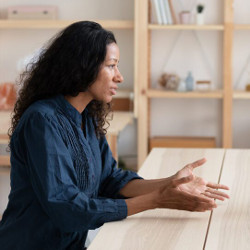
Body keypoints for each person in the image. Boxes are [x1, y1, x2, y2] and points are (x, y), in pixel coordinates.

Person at [0, 21, 229, 250]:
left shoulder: (86, 117)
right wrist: (156, 199)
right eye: (111, 66)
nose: (119, 77)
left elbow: (110, 180)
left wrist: (172, 183)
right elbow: (66, 208)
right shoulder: (42, 121)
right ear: (83, 66)